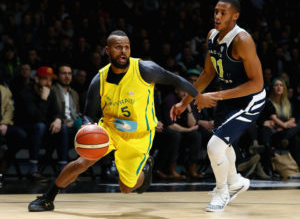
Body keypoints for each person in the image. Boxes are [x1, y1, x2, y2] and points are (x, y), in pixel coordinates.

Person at [28, 30, 198, 212]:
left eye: (126, 47)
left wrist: (197, 96)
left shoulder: (145, 69)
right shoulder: (99, 79)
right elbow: (88, 114)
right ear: (108, 51)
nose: (123, 51)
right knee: (82, 162)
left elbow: (176, 80)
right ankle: (48, 197)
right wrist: (88, 126)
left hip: (138, 134)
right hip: (110, 127)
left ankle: (146, 167)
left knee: (126, 188)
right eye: (118, 48)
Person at [170, 0, 266, 212]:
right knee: (224, 145)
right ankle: (236, 182)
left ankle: (222, 191)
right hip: (228, 97)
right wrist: (184, 102)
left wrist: (216, 96)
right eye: (215, 12)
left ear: (235, 16)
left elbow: (257, 83)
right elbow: (207, 73)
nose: (217, 16)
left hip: (250, 99)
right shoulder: (212, 36)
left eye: (223, 12)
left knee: (214, 146)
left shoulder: (242, 40)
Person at [14, 66, 69, 182]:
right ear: (37, 79)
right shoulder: (26, 92)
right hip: (25, 128)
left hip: (42, 128)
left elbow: (57, 112)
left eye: (50, 79)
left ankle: (63, 170)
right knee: (40, 126)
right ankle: (32, 169)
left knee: (62, 128)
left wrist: (58, 119)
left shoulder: (51, 92)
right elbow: (36, 118)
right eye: (45, 79)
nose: (48, 83)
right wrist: (43, 99)